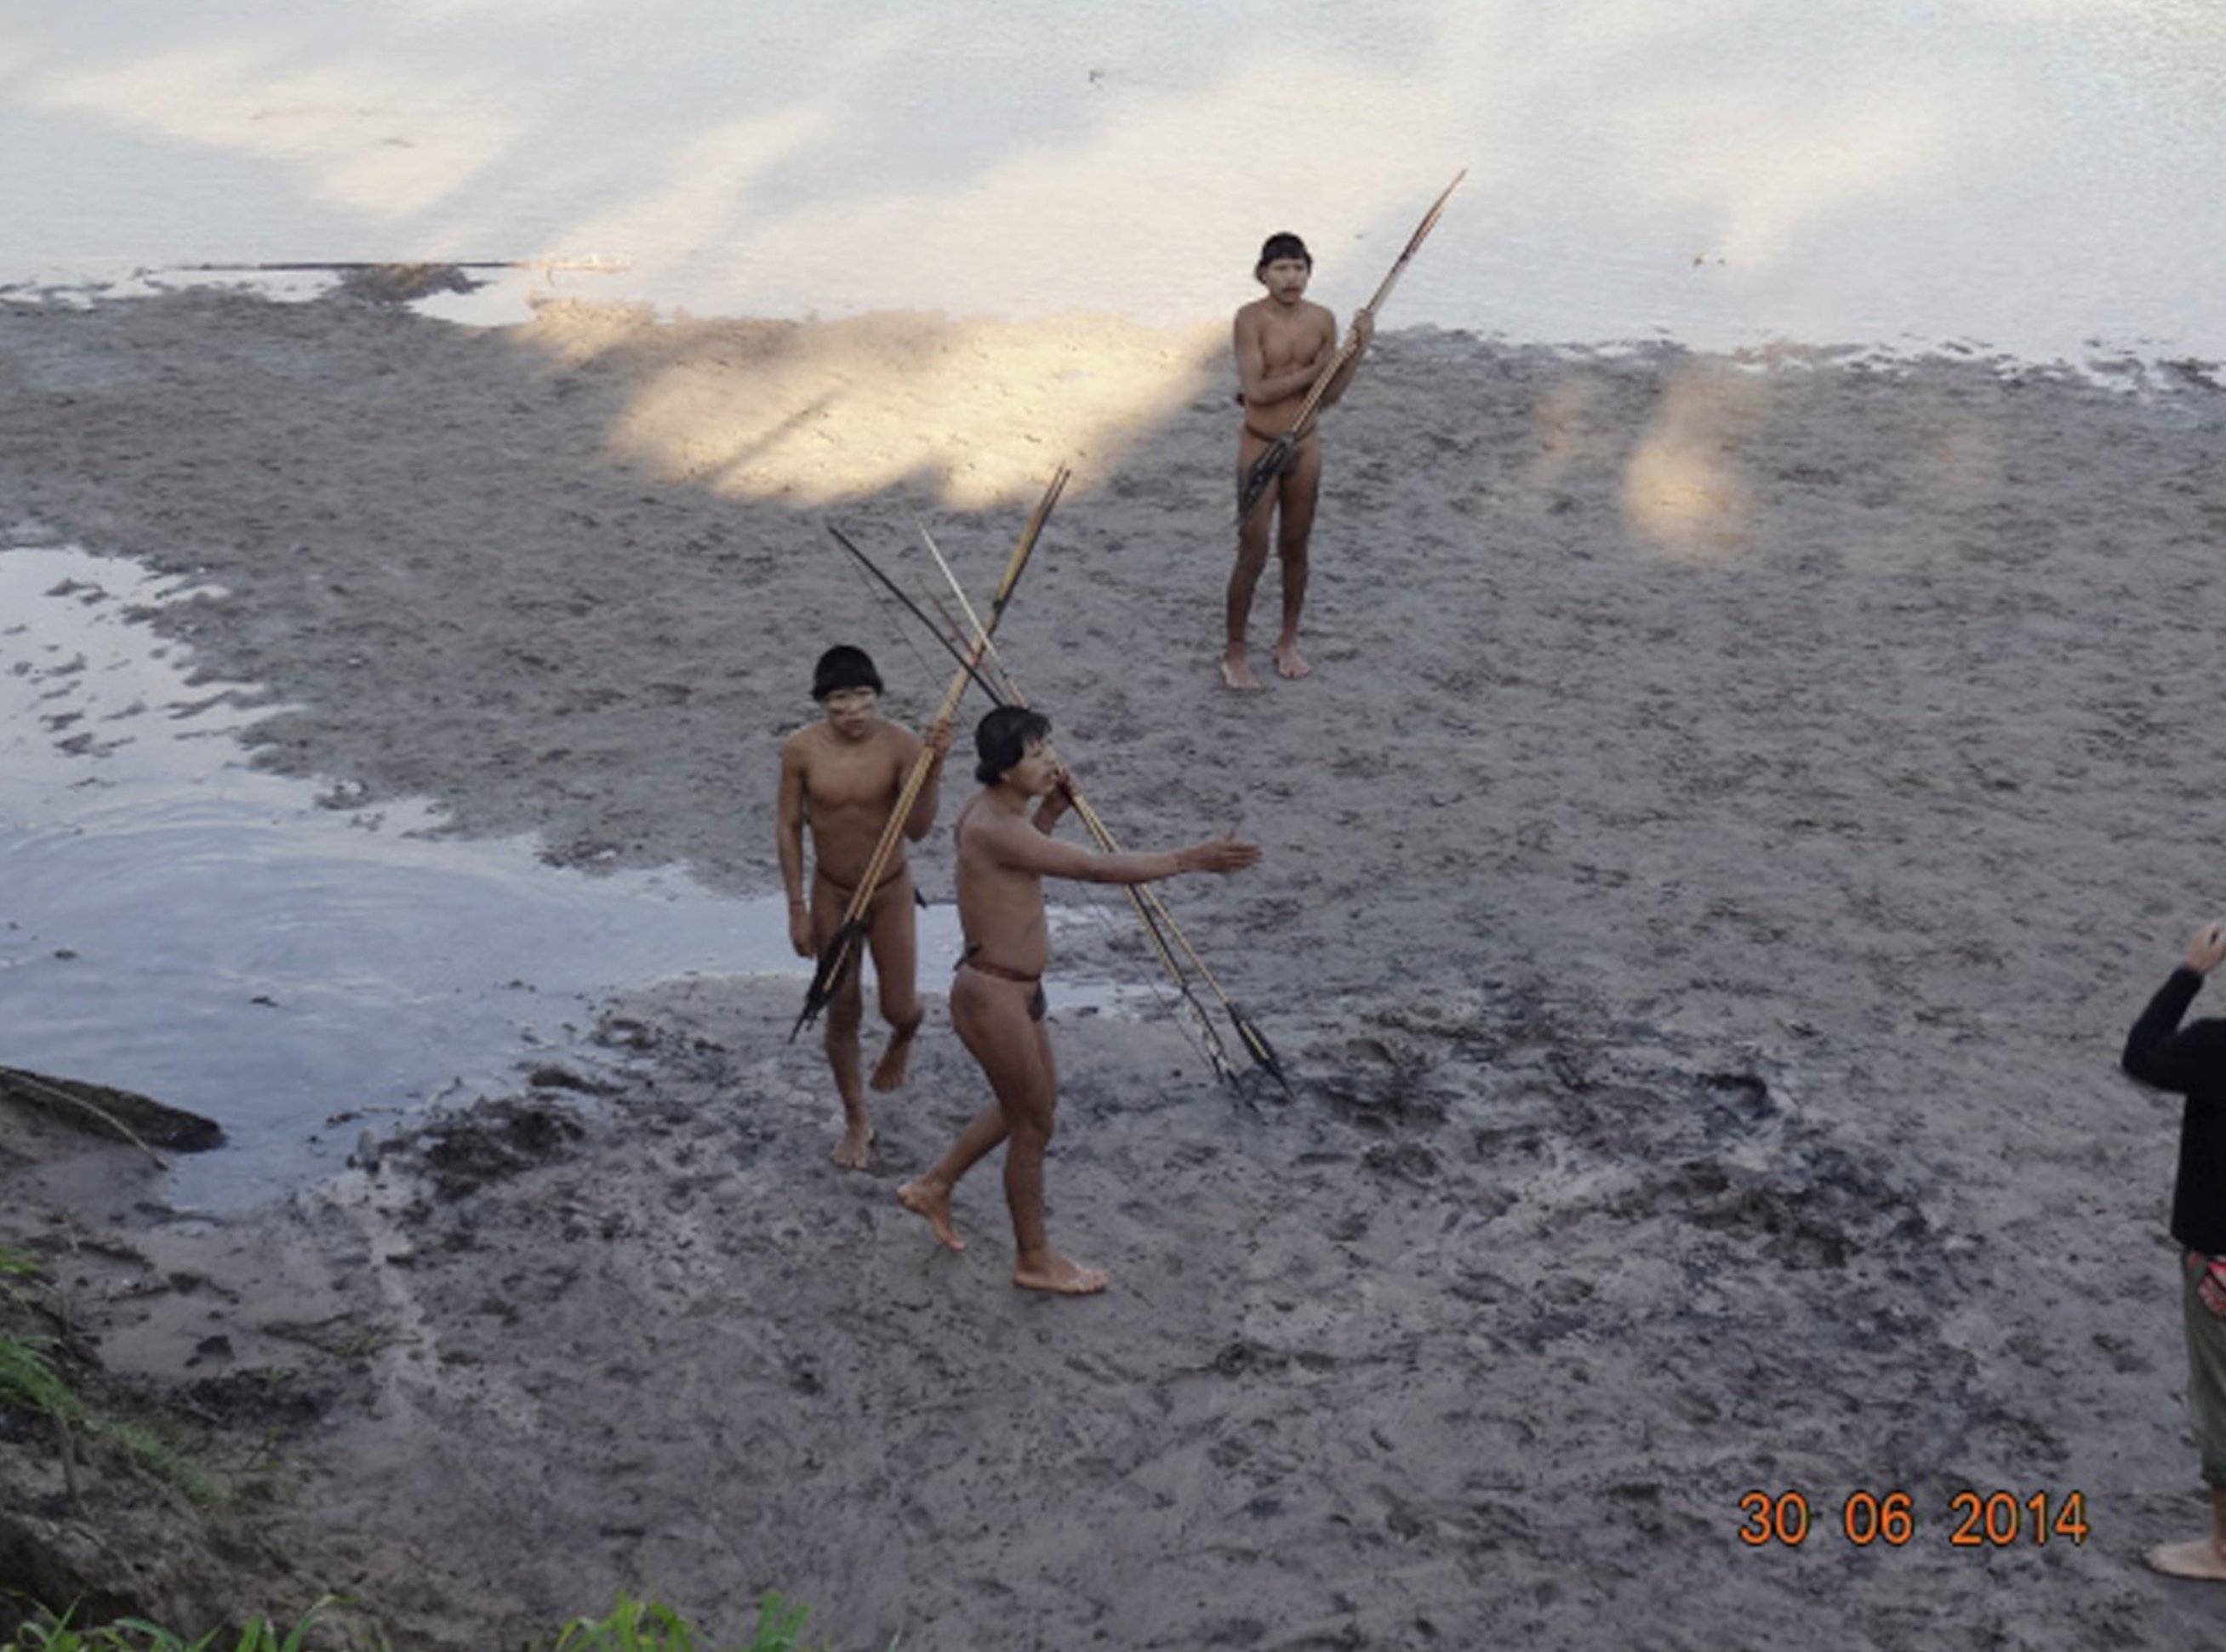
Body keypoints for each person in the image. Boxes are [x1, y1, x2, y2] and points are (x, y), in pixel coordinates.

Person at [898, 706, 1261, 1295]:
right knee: (1032, 1123)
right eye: (1035, 755)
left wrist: (1050, 811)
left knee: (1033, 1110)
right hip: (992, 996)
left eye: (1048, 749)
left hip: (1016, 991)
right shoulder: (992, 823)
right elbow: (1092, 869)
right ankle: (1033, 1259)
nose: (1050, 762)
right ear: (1001, 768)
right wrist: (1188, 861)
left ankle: (935, 1185)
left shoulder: (999, 816)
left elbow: (1019, 860)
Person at [777, 645, 952, 1170]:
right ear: (822, 705)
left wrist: (934, 766)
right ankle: (857, 1120)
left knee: (899, 1007)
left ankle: (904, 1036)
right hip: (832, 892)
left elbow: (917, 830)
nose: (852, 715)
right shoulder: (801, 750)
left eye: (862, 702)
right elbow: (787, 827)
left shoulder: (901, 745)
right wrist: (796, 907)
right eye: (839, 705)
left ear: (876, 698)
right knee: (842, 1009)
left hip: (891, 888)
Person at [1224, 231, 1374, 692]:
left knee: (1296, 546)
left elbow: (1329, 395)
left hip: (1305, 443)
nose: (1292, 278)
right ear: (1263, 273)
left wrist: (1357, 350)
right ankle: (1234, 651)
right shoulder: (1250, 320)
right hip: (1261, 441)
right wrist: (1319, 368)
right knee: (1253, 549)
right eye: (1282, 269)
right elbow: (1258, 390)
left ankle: (1286, 641)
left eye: (1299, 268)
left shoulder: (1324, 320)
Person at [2121, 919, 2226, 1578]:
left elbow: (2142, 1054)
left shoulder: (2217, 1048)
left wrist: (2189, 972)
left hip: (2220, 1258)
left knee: (2220, 1400)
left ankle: (2224, 1549)